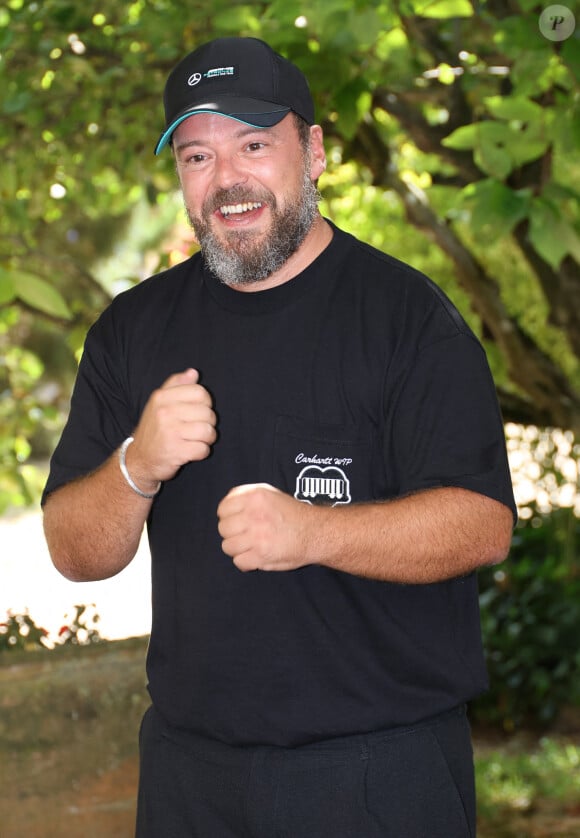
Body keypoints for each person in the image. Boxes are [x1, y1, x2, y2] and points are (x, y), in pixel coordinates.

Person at [42, 36, 516, 838]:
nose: (227, 180)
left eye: (254, 144)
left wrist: (312, 532)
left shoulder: (406, 320)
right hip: (190, 779)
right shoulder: (132, 331)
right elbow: (72, 549)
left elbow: (483, 525)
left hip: (376, 774)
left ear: (316, 152)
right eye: (197, 156)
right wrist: (136, 466)